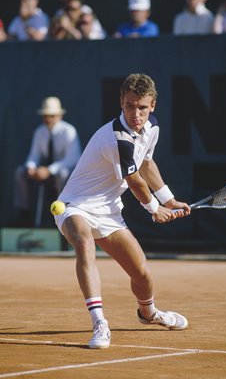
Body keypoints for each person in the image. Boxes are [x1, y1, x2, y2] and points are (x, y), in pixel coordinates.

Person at [54, 73, 191, 349]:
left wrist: (169, 199)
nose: (135, 114)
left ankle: (149, 313)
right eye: (129, 106)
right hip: (74, 206)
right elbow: (133, 179)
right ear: (121, 102)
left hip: (109, 212)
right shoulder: (117, 137)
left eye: (142, 107)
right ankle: (99, 323)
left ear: (152, 105)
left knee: (142, 275)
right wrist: (154, 208)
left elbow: (147, 164)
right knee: (84, 241)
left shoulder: (151, 127)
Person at [13, 97, 82, 227]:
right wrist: (31, 167)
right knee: (20, 172)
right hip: (44, 172)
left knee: (62, 173)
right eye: (45, 116)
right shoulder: (40, 132)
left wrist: (49, 170)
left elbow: (73, 159)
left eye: (52, 115)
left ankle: (65, 213)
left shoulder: (69, 131)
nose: (48, 119)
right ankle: (24, 213)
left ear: (60, 115)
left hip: (63, 173)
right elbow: (34, 155)